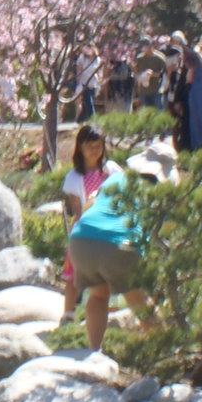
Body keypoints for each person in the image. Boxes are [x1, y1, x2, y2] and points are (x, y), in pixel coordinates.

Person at [61, 124, 151, 351]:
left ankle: (94, 351)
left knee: (97, 294)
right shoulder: (78, 177)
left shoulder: (110, 172)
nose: (94, 150)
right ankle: (163, 345)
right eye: (88, 145)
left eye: (98, 145)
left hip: (84, 239)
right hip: (112, 239)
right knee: (135, 296)